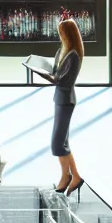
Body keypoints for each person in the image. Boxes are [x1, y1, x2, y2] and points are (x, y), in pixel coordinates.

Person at [47, 18, 85, 193]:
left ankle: (66, 176)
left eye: (61, 33)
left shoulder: (74, 56)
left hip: (66, 99)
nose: (59, 36)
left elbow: (64, 80)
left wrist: (50, 77)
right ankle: (75, 176)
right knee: (63, 141)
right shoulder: (66, 51)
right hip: (61, 99)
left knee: (57, 143)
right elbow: (57, 71)